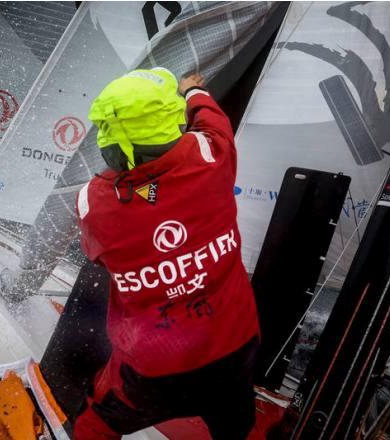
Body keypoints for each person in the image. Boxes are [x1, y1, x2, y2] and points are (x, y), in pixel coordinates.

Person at [73, 67, 260, 439]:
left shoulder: (92, 204)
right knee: (237, 427)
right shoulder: (210, 154)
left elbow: (99, 250)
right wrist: (192, 91)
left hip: (152, 371)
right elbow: (211, 120)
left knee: (94, 425)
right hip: (235, 348)